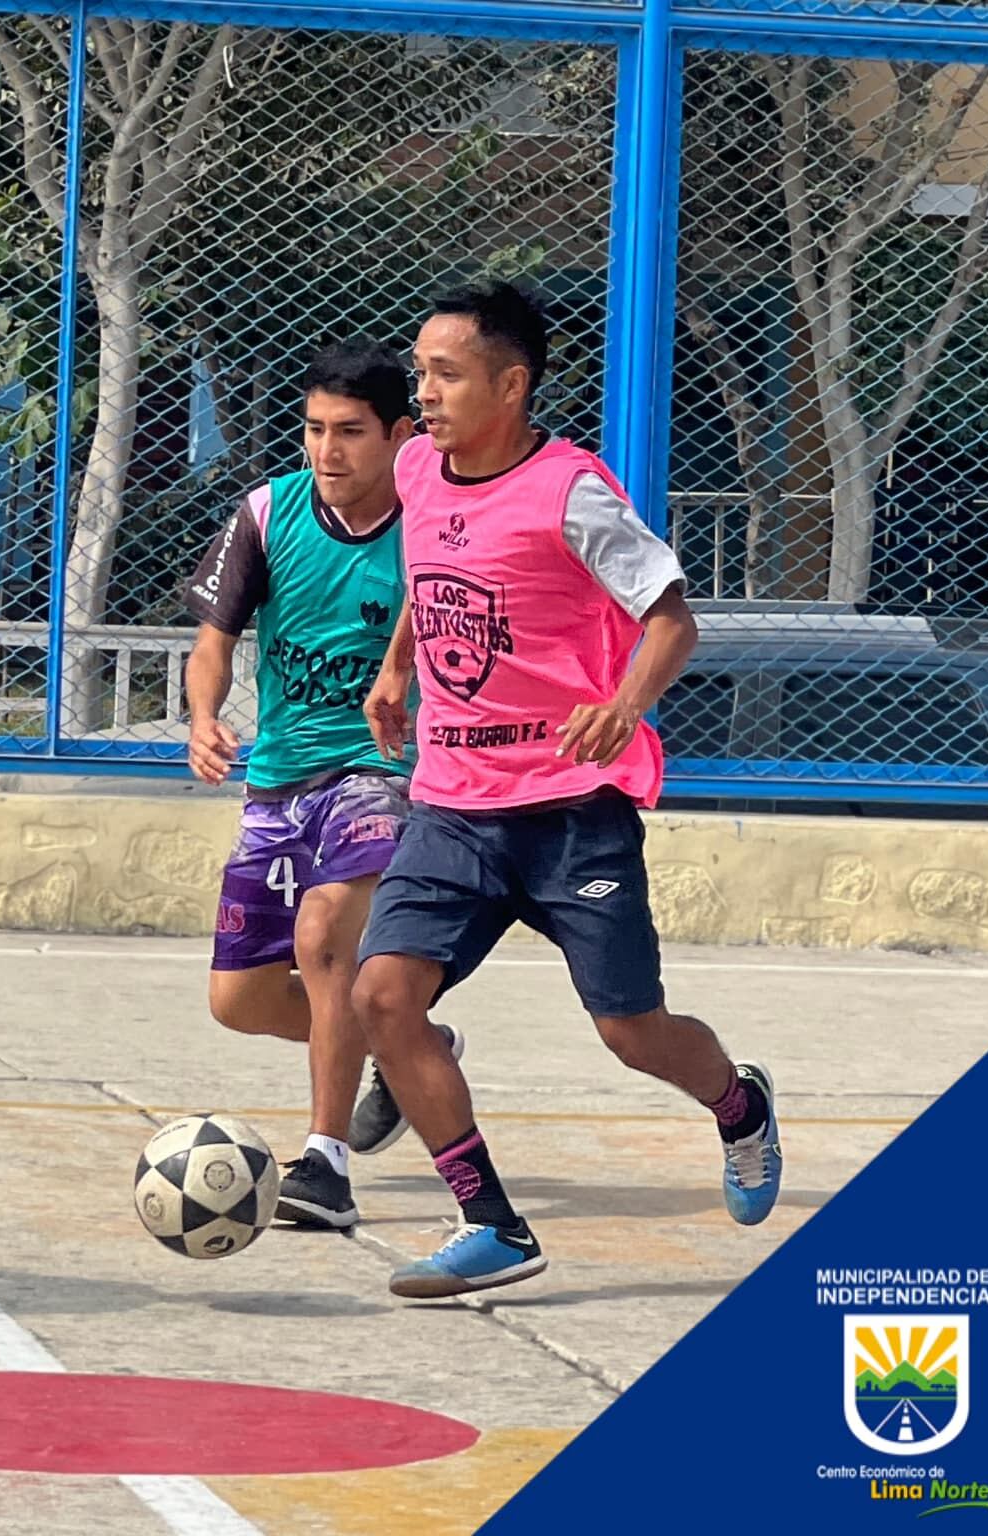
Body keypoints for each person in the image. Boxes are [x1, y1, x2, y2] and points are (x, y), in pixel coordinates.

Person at [353, 280, 782, 1299]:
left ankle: (736, 1106)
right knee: (382, 995)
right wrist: (395, 666)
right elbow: (429, 579)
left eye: (446, 374)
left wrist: (623, 704)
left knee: (629, 1033)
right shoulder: (417, 467)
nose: (425, 394)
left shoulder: (569, 491)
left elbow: (671, 620)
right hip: (453, 802)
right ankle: (490, 1225)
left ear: (509, 384)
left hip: (567, 812)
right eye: (419, 372)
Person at [184, 340, 467, 1231]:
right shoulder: (268, 513)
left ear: (399, 435)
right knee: (239, 1001)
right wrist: (202, 715)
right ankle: (403, 1043)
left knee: (324, 938)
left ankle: (325, 1165)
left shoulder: (436, 517)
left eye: (349, 432)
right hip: (280, 777)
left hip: (382, 769)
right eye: (313, 430)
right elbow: (215, 640)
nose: (327, 451)